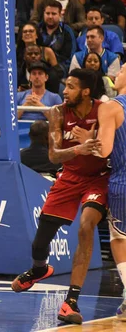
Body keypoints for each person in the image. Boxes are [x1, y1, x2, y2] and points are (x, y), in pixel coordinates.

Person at [11, 69, 109, 325]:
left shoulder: (102, 110)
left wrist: (94, 141)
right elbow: (54, 156)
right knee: (39, 243)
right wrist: (80, 147)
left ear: (86, 91)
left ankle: (71, 302)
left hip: (98, 178)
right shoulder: (57, 112)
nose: (65, 91)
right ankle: (40, 269)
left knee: (86, 226)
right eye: (65, 86)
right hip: (69, 177)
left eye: (72, 86)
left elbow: (110, 146)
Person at [96, 63, 126, 321]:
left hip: (122, 183)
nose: (117, 73)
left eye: (123, 69)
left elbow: (104, 151)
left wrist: (88, 140)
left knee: (119, 238)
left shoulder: (111, 107)